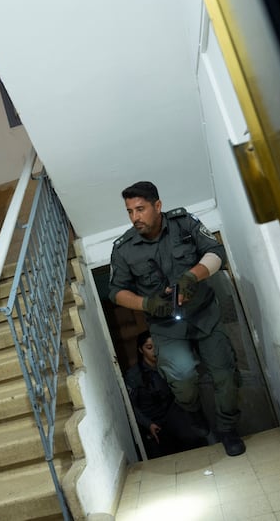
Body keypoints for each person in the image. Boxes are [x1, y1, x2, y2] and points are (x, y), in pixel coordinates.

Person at [108, 181, 246, 456]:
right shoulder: (124, 249)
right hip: (165, 326)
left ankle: (228, 429)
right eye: (129, 212)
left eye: (140, 209)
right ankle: (194, 412)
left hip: (205, 316)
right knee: (182, 377)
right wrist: (146, 303)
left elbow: (216, 253)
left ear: (157, 206)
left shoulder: (185, 224)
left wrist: (193, 275)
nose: (135, 217)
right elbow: (116, 292)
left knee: (225, 376)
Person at [125, 330, 207, 459]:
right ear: (141, 350)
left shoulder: (168, 365)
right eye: (149, 347)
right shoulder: (134, 375)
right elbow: (131, 407)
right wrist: (148, 424)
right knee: (160, 456)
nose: (154, 351)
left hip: (172, 414)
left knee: (194, 439)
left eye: (157, 347)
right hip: (151, 421)